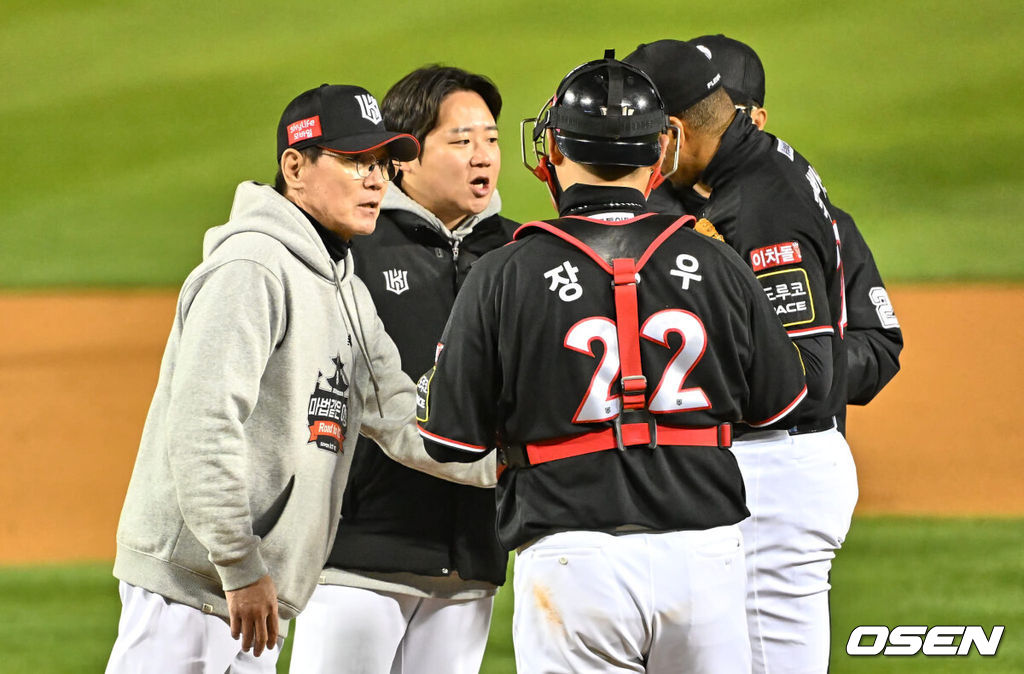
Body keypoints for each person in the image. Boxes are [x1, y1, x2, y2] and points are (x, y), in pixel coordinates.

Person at [414, 51, 809, 673]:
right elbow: (780, 402)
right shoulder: (720, 263)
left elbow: (449, 441)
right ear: (658, 153)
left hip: (574, 564)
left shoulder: (503, 274)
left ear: (554, 152)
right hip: (704, 555)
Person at [105, 84, 423, 673]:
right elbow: (203, 425)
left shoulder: (345, 286)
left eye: (382, 163)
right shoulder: (252, 267)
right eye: (356, 161)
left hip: (252, 598)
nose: (377, 179)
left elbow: (400, 414)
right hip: (196, 591)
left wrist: (518, 457)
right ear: (295, 166)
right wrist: (239, 565)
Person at [626, 40, 859, 673]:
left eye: (641, 133)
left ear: (673, 132)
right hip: (765, 467)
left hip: (777, 475)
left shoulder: (758, 203)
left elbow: (810, 378)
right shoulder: (741, 171)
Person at [288, 66, 515, 674]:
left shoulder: (519, 253)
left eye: (490, 139)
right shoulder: (354, 241)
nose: (482, 157)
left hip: (469, 563)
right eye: (460, 140)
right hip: (357, 556)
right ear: (405, 158)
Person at [651, 34, 903, 434]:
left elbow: (877, 348)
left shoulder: (800, 213)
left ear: (754, 119)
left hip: (783, 443)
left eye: (725, 108)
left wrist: (794, 363)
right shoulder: (647, 214)